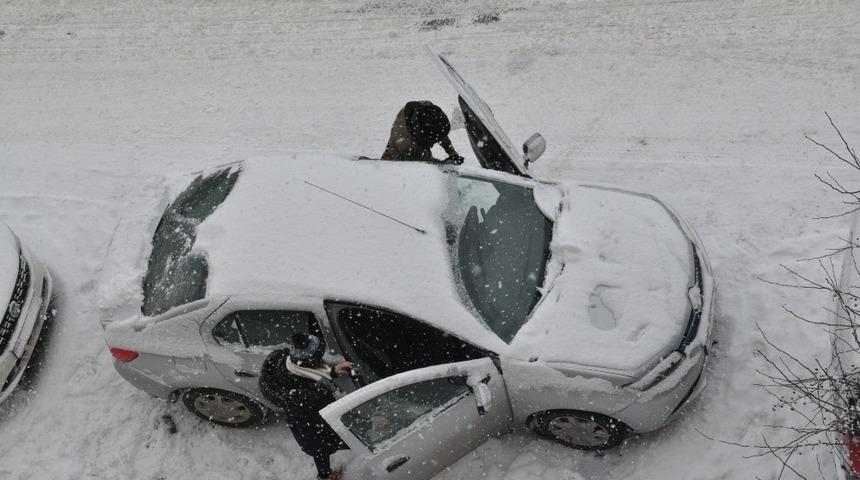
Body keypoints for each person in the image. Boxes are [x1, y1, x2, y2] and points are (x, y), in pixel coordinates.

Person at [259, 333, 354, 480]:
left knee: (320, 453)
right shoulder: (307, 395)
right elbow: (331, 414)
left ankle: (324, 475)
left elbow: (310, 375)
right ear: (311, 362)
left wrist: (332, 372)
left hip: (308, 430)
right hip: (313, 432)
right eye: (319, 357)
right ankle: (325, 476)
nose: (322, 358)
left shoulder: (286, 364)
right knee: (327, 449)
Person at [381, 100, 464, 164]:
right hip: (398, 163)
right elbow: (428, 165)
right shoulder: (408, 147)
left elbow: (439, 131)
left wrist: (451, 152)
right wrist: (447, 164)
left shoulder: (426, 109)